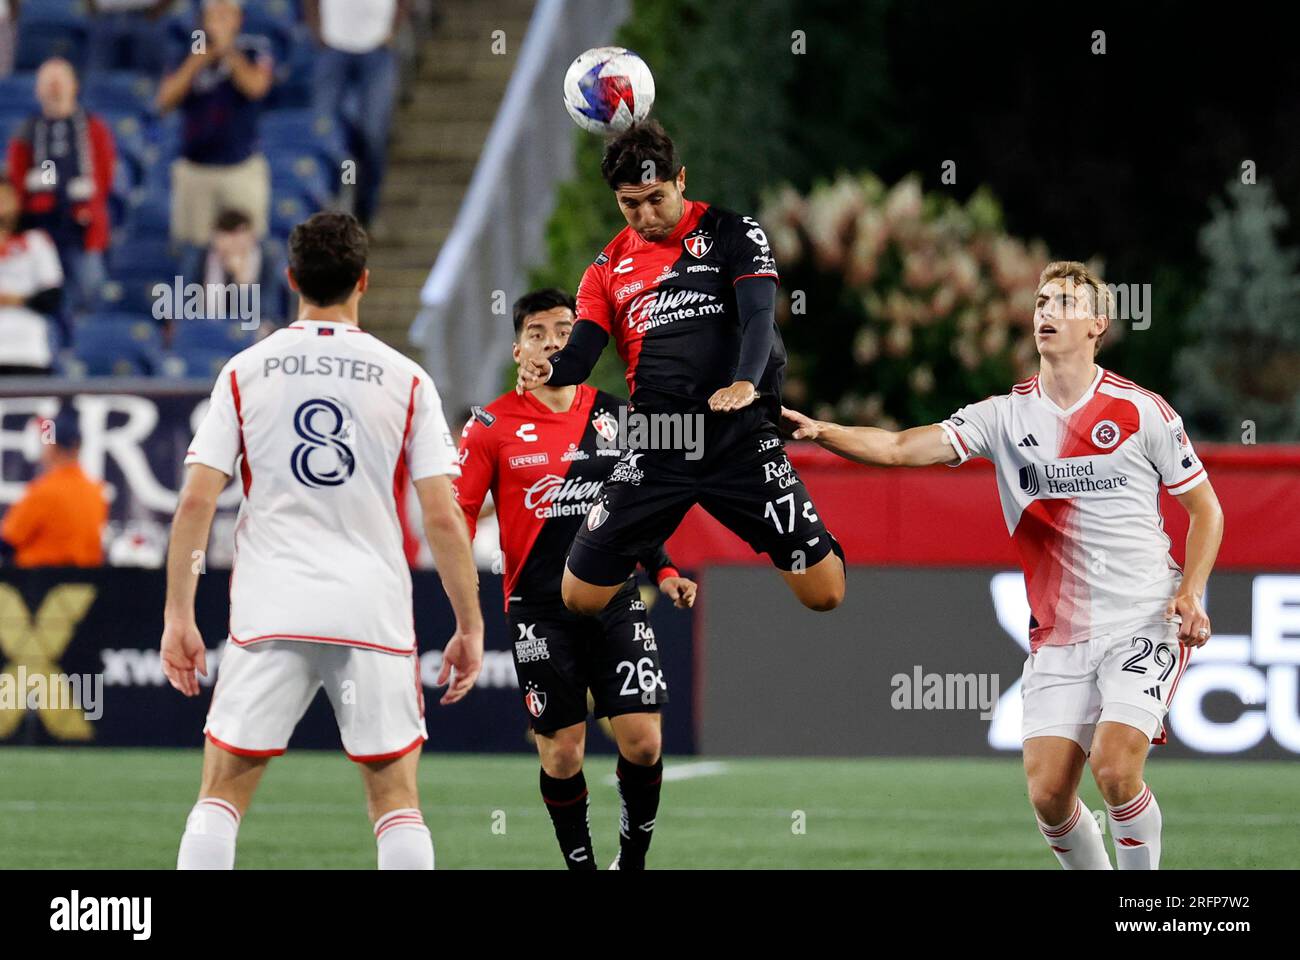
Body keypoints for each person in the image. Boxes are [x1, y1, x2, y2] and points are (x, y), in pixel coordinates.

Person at [782, 261, 1225, 870]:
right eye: (1042, 300)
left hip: (1144, 618)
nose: (1047, 310)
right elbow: (899, 446)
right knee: (1048, 797)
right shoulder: (1002, 416)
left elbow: (1207, 511)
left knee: (1116, 768)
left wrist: (1192, 592)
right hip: (1061, 635)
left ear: (1098, 324)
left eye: (1065, 302)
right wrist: (821, 431)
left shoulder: (1143, 411)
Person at [160, 212, 483, 870]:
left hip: (271, 608)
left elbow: (196, 500)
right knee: (395, 800)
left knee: (222, 793)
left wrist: (177, 615)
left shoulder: (246, 371)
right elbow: (443, 517)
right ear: (363, 281)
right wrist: (469, 623)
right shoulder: (407, 379)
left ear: (290, 279)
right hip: (371, 608)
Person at [517, 120, 846, 618]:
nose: (646, 216)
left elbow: (759, 315)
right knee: (578, 597)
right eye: (631, 204)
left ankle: (820, 541)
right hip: (662, 440)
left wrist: (744, 382)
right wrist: (551, 370)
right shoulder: (604, 271)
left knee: (825, 595)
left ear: (681, 180)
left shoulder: (733, 232)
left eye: (656, 199)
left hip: (738, 438)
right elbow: (582, 354)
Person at [456, 288, 697, 871]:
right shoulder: (489, 425)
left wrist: (662, 566)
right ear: (518, 349)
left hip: (613, 597)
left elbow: (634, 505)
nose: (553, 341)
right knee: (563, 755)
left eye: (566, 329)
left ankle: (631, 863)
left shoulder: (617, 416)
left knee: (644, 740)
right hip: (538, 609)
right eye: (538, 333)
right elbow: (456, 514)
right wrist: (460, 600)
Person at [6, 58, 115, 337]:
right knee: (46, 297)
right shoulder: (28, 132)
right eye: (48, 83)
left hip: (82, 229)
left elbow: (104, 175)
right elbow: (17, 180)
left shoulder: (93, 128)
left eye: (60, 82)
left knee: (88, 295)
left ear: (74, 86)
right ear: (37, 90)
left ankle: (85, 349)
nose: (54, 89)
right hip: (41, 231)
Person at [156, 0, 273, 247]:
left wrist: (228, 51)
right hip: (195, 168)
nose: (219, 20)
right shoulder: (187, 49)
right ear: (203, 19)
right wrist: (198, 61)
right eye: (213, 14)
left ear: (238, 18)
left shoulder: (254, 48)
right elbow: (164, 101)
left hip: (239, 167)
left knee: (245, 252)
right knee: (193, 253)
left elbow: (256, 88)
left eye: (226, 14)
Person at [304, 0, 407, 228]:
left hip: (377, 46)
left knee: (373, 134)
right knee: (322, 130)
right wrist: (317, 30)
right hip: (332, 46)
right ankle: (324, 208)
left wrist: (393, 28)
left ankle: (366, 211)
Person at [0, 410, 108, 567]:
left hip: (40, 584)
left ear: (52, 447)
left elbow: (8, 542)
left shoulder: (45, 491)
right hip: (83, 585)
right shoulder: (95, 491)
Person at [179, 207, 289, 328]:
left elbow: (267, 313)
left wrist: (243, 283)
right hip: (207, 330)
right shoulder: (200, 257)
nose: (232, 244)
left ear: (251, 237)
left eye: (237, 237)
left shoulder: (268, 260)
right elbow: (184, 303)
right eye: (226, 237)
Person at [0, 181, 64, 375]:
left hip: (28, 351)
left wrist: (16, 300)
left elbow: (53, 297)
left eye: (5, 199)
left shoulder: (36, 242)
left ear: (17, 202)